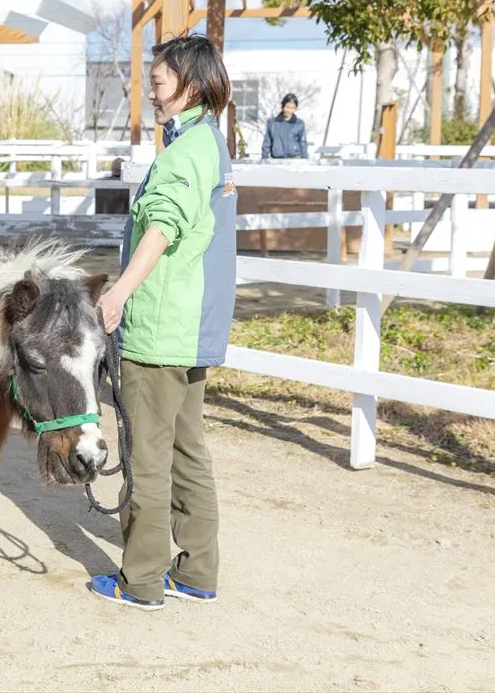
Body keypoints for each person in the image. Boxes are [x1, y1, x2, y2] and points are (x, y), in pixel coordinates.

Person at [91, 32, 237, 610]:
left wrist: (120, 291)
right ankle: (198, 569)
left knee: (148, 457)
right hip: (193, 326)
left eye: (157, 83)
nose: (149, 92)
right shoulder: (210, 144)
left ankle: (142, 580)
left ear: (190, 85)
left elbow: (164, 225)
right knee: (187, 450)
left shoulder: (183, 153)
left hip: (159, 329)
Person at [261, 93, 309, 159]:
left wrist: (305, 160)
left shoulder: (299, 124)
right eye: (287, 107)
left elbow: (303, 144)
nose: (289, 110)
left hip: (295, 160)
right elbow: (267, 143)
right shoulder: (272, 123)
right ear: (282, 107)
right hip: (276, 160)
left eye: (292, 108)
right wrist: (264, 159)